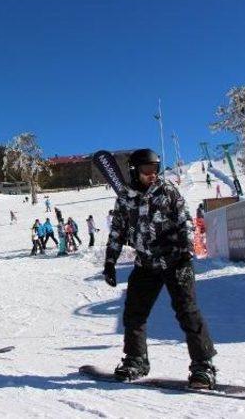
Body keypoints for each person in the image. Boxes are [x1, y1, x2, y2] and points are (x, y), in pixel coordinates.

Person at [102, 148, 217, 389]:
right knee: (134, 313)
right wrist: (110, 261)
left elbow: (185, 220)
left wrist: (185, 250)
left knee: (187, 311)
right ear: (134, 171)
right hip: (146, 263)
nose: (152, 174)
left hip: (175, 260)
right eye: (146, 170)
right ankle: (136, 360)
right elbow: (117, 231)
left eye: (155, 169)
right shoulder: (125, 197)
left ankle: (203, 366)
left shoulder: (167, 191)